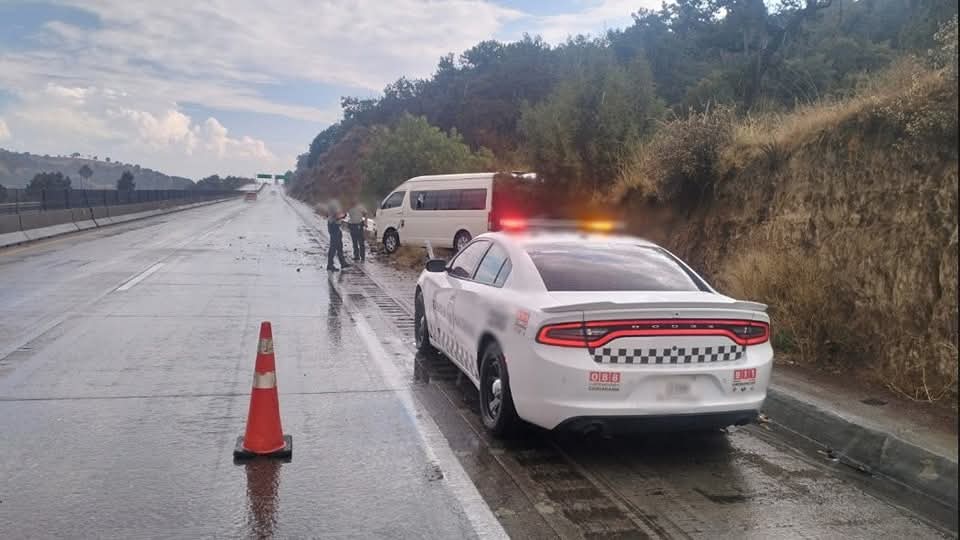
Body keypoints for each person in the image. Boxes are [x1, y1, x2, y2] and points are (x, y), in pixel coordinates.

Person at [325, 199, 349, 271]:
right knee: (333, 246)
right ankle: (330, 265)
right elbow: (335, 216)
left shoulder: (332, 202)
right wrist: (343, 216)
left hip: (334, 226)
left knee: (339, 246)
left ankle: (342, 263)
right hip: (334, 226)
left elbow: (327, 214)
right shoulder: (334, 204)